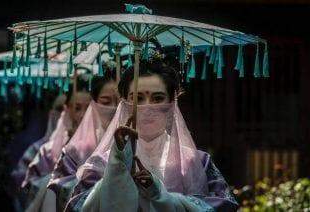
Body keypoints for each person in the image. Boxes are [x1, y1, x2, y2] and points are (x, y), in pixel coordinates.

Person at [66, 60, 238, 212]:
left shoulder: (196, 161)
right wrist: (117, 170)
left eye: (157, 98)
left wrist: (162, 196)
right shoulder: (101, 163)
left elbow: (223, 205)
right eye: (138, 99)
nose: (147, 108)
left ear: (172, 104)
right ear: (125, 103)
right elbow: (77, 207)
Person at [41, 70, 119, 212]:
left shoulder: (139, 145)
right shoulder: (75, 150)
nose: (114, 108)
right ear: (94, 105)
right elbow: (57, 189)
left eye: (120, 102)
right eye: (106, 102)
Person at [22, 78, 91, 210]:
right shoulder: (47, 149)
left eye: (88, 109)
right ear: (68, 109)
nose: (83, 115)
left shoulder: (100, 145)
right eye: (77, 108)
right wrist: (52, 181)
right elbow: (30, 183)